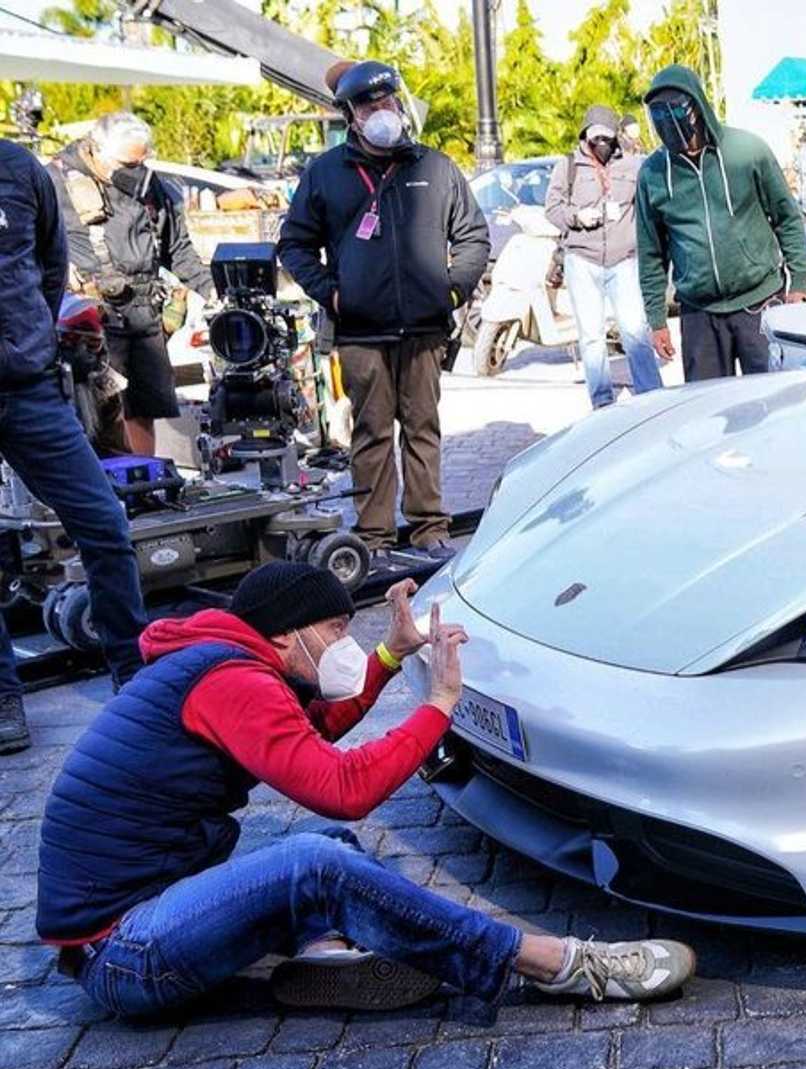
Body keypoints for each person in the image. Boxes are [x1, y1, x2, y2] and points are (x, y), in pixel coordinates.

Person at [35, 562, 696, 1017]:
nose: (344, 645)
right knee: (316, 861)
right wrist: (439, 703)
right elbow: (344, 786)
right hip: (125, 955)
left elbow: (314, 726)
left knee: (324, 846)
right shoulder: (231, 681)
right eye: (335, 632)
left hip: (145, 913)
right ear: (283, 634)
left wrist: (390, 656)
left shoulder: (224, 662)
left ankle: (326, 954)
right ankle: (557, 964)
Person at [277, 61, 489, 561]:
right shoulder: (326, 173)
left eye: (387, 101)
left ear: (399, 102)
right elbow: (295, 244)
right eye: (369, 105)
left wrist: (452, 291)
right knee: (370, 434)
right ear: (351, 115)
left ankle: (427, 526)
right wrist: (331, 294)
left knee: (423, 428)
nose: (381, 111)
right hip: (360, 333)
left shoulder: (434, 168)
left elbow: (473, 236)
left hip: (424, 329)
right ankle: (372, 535)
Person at [0, 139, 147, 754]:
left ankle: (135, 674)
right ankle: (4, 698)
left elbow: (51, 266)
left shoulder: (18, 169)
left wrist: (30, 339)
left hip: (28, 386)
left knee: (104, 522)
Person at [48, 113, 214, 456]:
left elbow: (178, 250)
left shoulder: (153, 189)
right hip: (93, 321)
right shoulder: (55, 183)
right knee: (101, 412)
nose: (136, 172)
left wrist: (213, 290)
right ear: (96, 151)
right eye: (128, 164)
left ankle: (143, 484)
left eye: (141, 162)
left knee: (144, 408)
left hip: (145, 316)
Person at [635, 65, 806, 381]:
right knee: (709, 416)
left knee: (772, 404)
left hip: (759, 300)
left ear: (697, 106)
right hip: (699, 313)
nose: (668, 121)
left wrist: (799, 282)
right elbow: (651, 253)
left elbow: (787, 217)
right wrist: (657, 319)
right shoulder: (653, 174)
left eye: (676, 109)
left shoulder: (746, 151)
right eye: (658, 114)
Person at [544, 105, 660, 409]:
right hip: (583, 259)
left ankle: (651, 395)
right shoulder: (567, 166)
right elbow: (552, 209)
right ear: (585, 136)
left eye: (607, 139)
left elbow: (649, 206)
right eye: (595, 139)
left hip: (624, 259)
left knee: (635, 331)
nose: (601, 145)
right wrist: (577, 217)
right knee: (592, 336)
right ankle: (602, 400)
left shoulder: (633, 166)